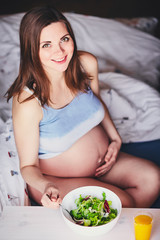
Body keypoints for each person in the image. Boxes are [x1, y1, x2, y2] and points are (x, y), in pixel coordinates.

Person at [6, 6, 159, 209]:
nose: (59, 51)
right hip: (55, 180)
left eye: (64, 39)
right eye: (46, 45)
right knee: (121, 204)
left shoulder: (85, 63)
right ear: (31, 49)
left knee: (152, 178)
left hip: (102, 164)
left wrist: (115, 137)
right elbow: (28, 166)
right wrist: (46, 185)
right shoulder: (27, 101)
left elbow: (95, 101)